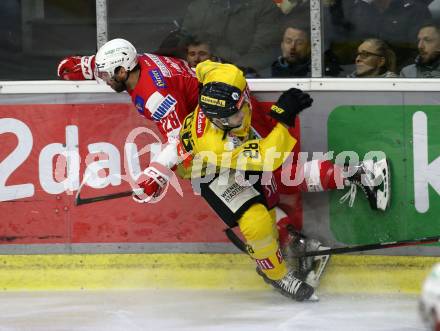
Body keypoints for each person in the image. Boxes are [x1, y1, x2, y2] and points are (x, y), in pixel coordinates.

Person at [173, 60, 391, 300]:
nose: (240, 116)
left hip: (241, 150)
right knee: (256, 220)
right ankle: (276, 274)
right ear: (217, 120)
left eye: (240, 108)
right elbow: (267, 158)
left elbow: (203, 67)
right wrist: (284, 118)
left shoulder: (228, 77)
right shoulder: (214, 144)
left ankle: (354, 175)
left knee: (283, 178)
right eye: (233, 117)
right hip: (209, 171)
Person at [181, 0, 281, 74]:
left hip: (250, 77)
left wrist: (230, 71)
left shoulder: (264, 7)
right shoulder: (199, 7)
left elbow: (264, 50)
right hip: (196, 76)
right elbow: (183, 43)